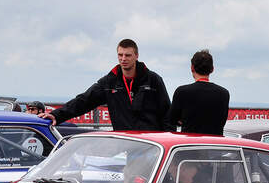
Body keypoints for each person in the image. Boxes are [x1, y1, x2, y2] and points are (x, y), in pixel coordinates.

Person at [40, 38, 171, 131]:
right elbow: (84, 100)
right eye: (120, 55)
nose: (123, 59)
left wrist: (168, 142)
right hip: (129, 143)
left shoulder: (153, 80)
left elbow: (167, 113)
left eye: (128, 55)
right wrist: (57, 115)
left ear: (136, 56)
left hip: (153, 143)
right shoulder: (109, 82)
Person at [168, 49, 230, 135]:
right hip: (216, 144)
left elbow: (172, 119)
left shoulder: (182, 92)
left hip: (189, 144)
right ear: (212, 69)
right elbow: (222, 121)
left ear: (192, 68)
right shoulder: (224, 94)